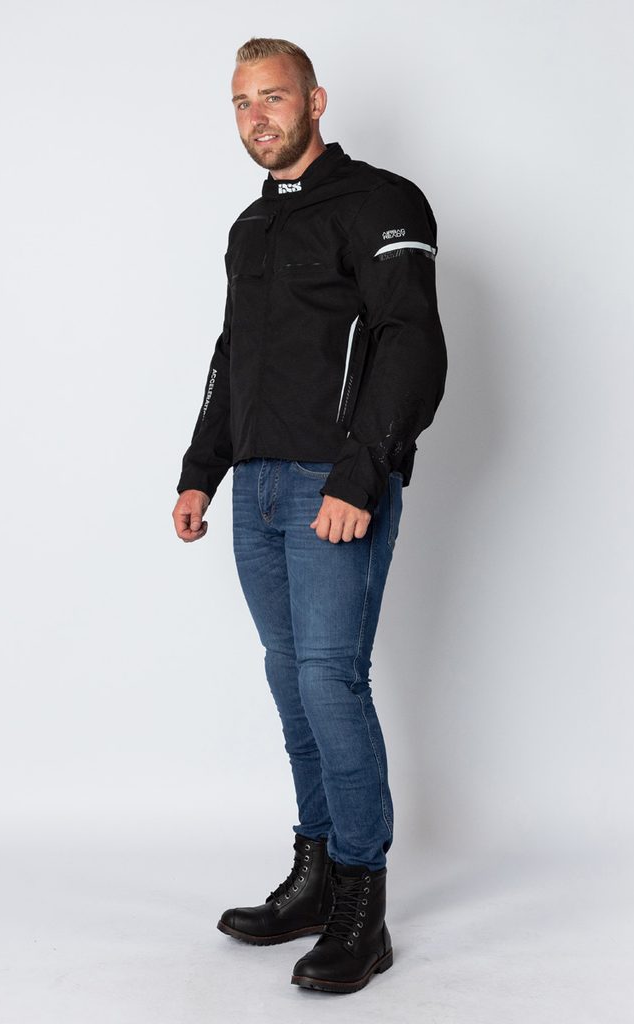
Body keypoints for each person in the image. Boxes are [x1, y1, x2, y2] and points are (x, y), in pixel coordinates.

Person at [172, 37, 446, 994]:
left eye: (274, 97)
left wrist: (358, 476)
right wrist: (201, 471)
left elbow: (412, 344)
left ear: (315, 101)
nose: (258, 117)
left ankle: (363, 902)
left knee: (331, 680)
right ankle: (316, 872)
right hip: (257, 488)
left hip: (334, 484)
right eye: (242, 102)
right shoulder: (252, 228)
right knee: (291, 682)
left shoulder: (382, 203)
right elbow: (233, 355)